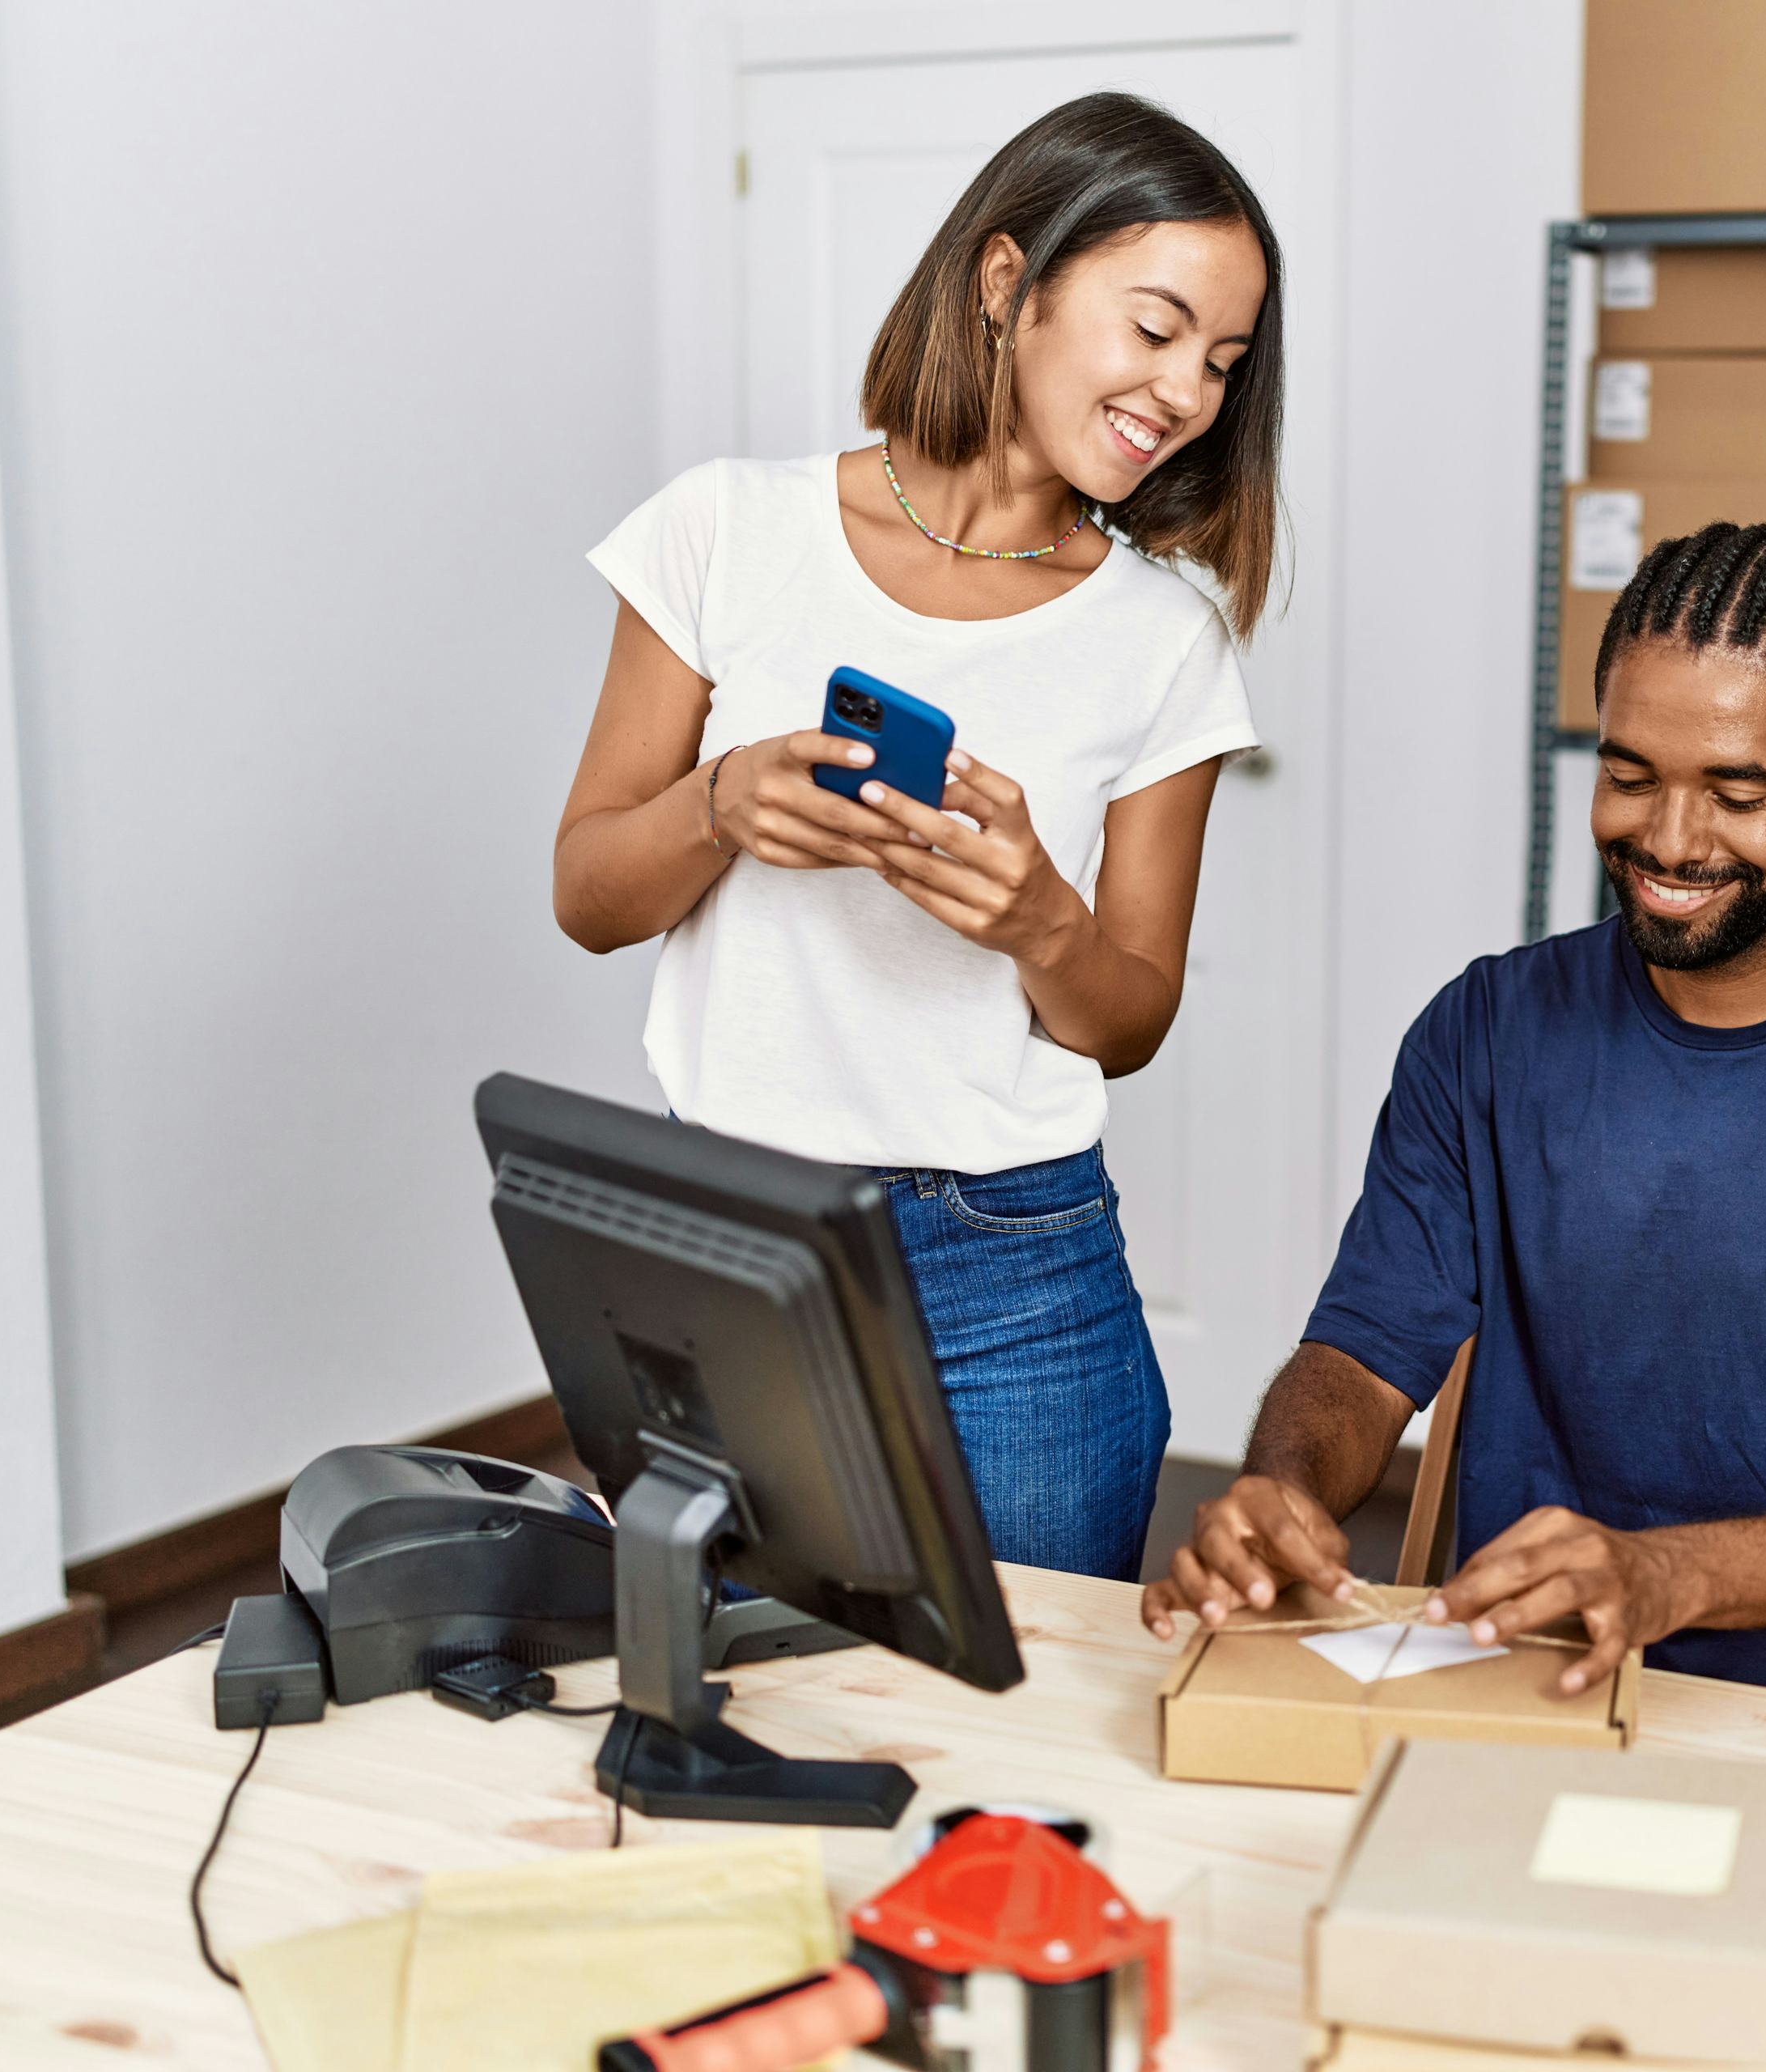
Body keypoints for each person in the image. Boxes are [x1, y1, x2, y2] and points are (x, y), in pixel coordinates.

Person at [1142, 524, 1766, 1714]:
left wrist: (1661, 1576)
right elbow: (1362, 1355)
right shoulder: (1488, 1027)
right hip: (1521, 1684)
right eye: (1630, 775)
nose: (1670, 840)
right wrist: (1280, 1489)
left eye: (1738, 794)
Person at [550, 95, 1281, 1581]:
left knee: (1017, 1764)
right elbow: (588, 896)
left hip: (1016, 1276)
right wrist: (719, 801)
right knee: (726, 1715)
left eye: (1223, 362)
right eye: (1155, 330)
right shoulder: (725, 531)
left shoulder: (1164, 639)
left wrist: (1038, 924)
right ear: (1008, 282)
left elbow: (1128, 1017)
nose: (1188, 394)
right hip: (724, 1241)